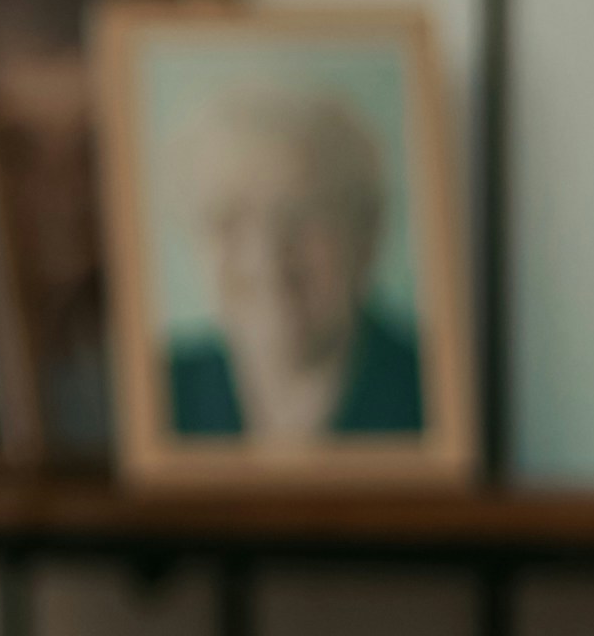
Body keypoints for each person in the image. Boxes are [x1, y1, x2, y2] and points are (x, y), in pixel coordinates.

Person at [162, 78, 424, 446]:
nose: (265, 255)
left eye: (302, 214)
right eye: (229, 220)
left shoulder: (431, 390)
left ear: (367, 233)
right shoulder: (161, 392)